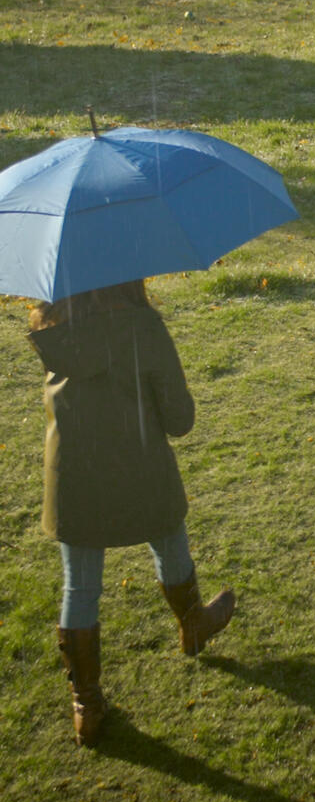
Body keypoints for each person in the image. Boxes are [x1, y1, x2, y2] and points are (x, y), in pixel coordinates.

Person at [28, 280, 235, 747]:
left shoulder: (53, 331)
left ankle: (86, 704)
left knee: (80, 585)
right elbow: (179, 419)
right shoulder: (143, 327)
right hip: (140, 463)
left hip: (73, 476)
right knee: (168, 533)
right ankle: (192, 623)